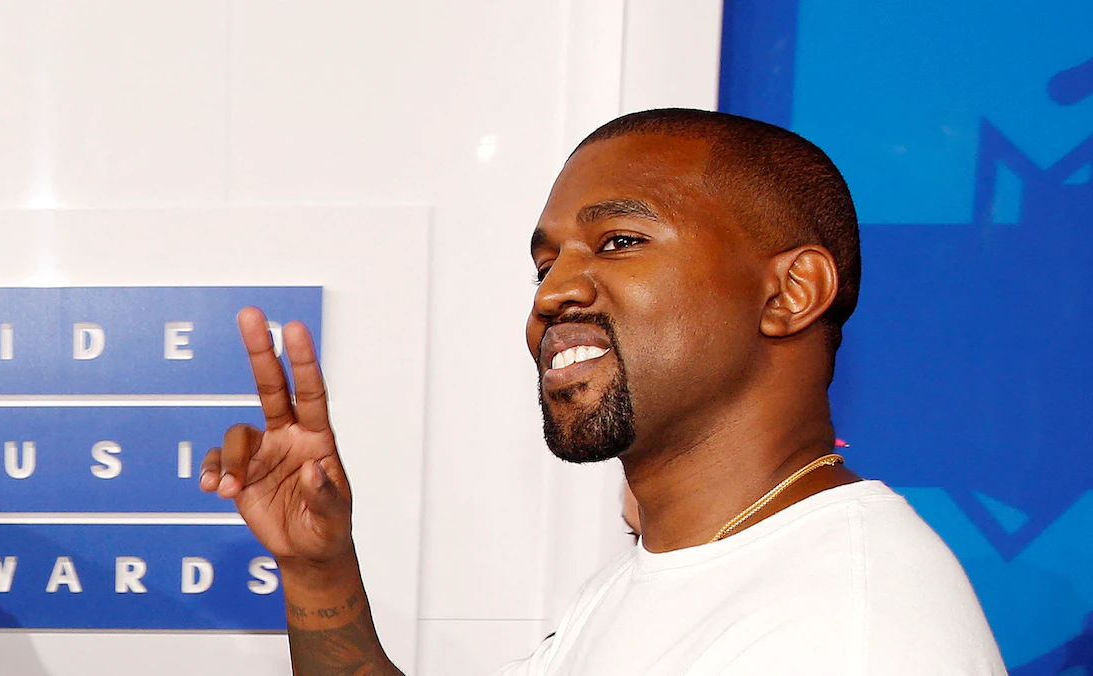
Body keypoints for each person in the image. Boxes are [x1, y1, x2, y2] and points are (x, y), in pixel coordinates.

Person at [199, 109, 1007, 675]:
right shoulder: (669, 570)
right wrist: (320, 573)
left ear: (790, 292)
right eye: (545, 264)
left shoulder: (847, 631)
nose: (553, 293)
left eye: (619, 241)